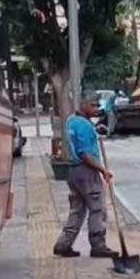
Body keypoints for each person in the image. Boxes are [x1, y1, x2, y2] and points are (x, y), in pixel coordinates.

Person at [53, 94, 119, 258]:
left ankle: (63, 244)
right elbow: (84, 154)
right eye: (93, 106)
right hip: (86, 171)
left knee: (77, 210)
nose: (97, 109)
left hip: (72, 172)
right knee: (97, 209)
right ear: (83, 105)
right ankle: (98, 246)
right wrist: (102, 169)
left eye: (98, 106)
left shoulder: (71, 121)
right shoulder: (84, 126)